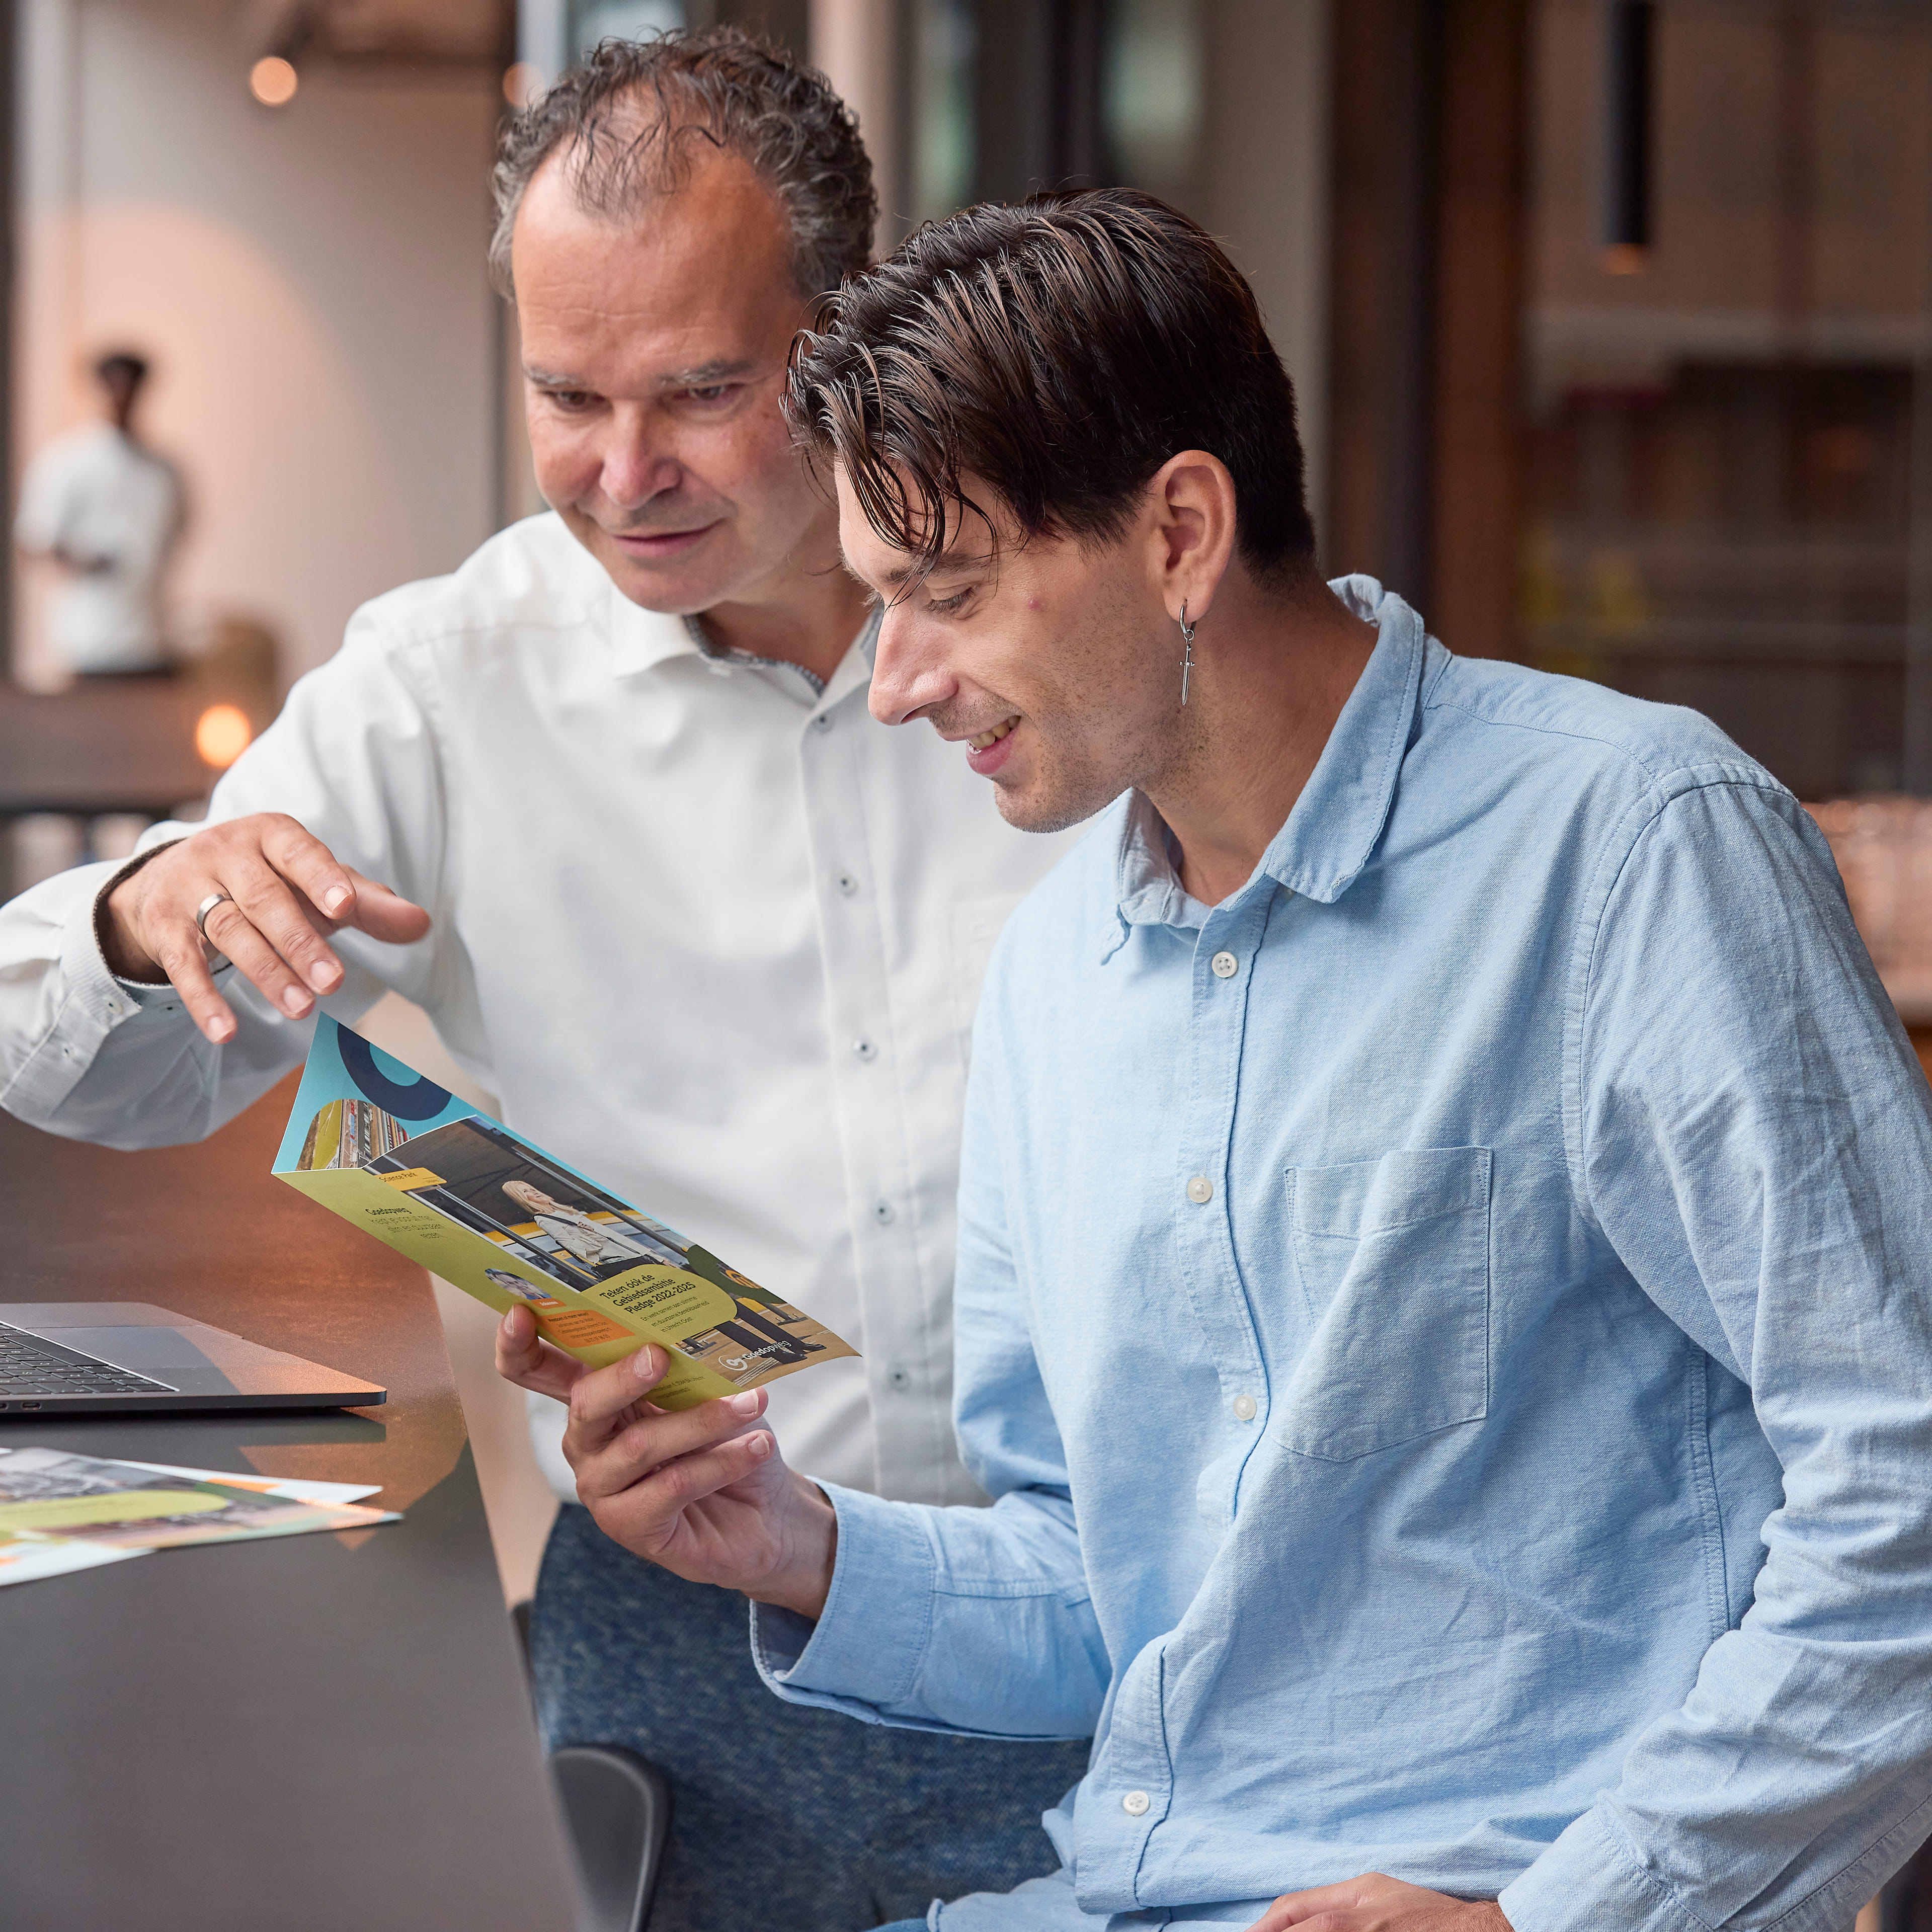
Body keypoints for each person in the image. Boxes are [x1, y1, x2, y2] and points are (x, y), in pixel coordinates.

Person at [497, 190, 1932, 1932]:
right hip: (1118, 1891)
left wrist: (1563, 1918)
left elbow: (1906, 1487)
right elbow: (1104, 1587)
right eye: (879, 604)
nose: (894, 685)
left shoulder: (1633, 847)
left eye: (945, 593)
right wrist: (791, 1542)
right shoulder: (1053, 976)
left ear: (1179, 529)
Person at [0, 33, 1088, 1929]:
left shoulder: (1059, 623)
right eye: (565, 395)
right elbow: (90, 1070)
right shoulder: (444, 681)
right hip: (686, 1637)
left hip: (1112, 1614)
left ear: (838, 334)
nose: (624, 474)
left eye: (700, 393)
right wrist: (153, 901)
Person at [15, 350, 186, 678]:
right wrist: (81, 561)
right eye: (115, 386)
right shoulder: (66, 461)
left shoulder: (165, 472)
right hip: (90, 643)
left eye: (131, 387)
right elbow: (34, 540)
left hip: (153, 638)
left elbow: (175, 537)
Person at [501, 1178, 659, 1269]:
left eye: (530, 1188)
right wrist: (588, 1234)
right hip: (621, 1261)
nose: (533, 1191)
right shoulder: (544, 1220)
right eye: (525, 1192)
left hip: (638, 1254)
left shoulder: (565, 1211)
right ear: (522, 1199)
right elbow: (576, 1248)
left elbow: (615, 1236)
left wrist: (654, 1256)